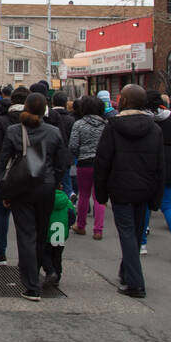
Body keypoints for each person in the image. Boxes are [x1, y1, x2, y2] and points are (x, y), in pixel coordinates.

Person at [0, 92, 70, 301]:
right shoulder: (54, 132)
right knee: (40, 233)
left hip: (21, 187)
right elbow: (61, 163)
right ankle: (36, 274)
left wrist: (4, 189)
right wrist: (54, 180)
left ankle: (31, 285)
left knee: (26, 234)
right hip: (46, 187)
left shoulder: (14, 131)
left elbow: (2, 162)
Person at [94, 85, 164, 298]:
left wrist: (101, 192)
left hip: (121, 188)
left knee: (128, 234)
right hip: (144, 188)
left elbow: (103, 161)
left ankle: (135, 282)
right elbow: (161, 166)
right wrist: (156, 197)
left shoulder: (114, 127)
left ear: (123, 101)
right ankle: (127, 273)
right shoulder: (155, 129)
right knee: (134, 233)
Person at [142, 90, 171, 261]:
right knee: (169, 205)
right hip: (170, 162)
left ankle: (142, 243)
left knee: (144, 204)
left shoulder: (143, 120)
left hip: (147, 162)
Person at [0, 86, 27, 263]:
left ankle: (1, 251)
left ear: (12, 101)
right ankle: (25, 255)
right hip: (29, 173)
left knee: (3, 214)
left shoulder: (3, 121)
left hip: (7, 173)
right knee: (25, 217)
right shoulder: (35, 121)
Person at [69, 95, 107, 240]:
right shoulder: (106, 125)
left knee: (84, 195)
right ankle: (98, 230)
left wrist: (80, 154)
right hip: (101, 163)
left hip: (84, 162)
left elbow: (72, 145)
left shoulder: (79, 124)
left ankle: (81, 225)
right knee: (99, 197)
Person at [47, 185, 74, 284]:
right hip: (61, 233)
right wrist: (68, 225)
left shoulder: (47, 199)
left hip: (48, 233)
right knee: (57, 256)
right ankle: (57, 276)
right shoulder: (67, 201)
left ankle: (50, 271)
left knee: (46, 254)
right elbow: (72, 216)